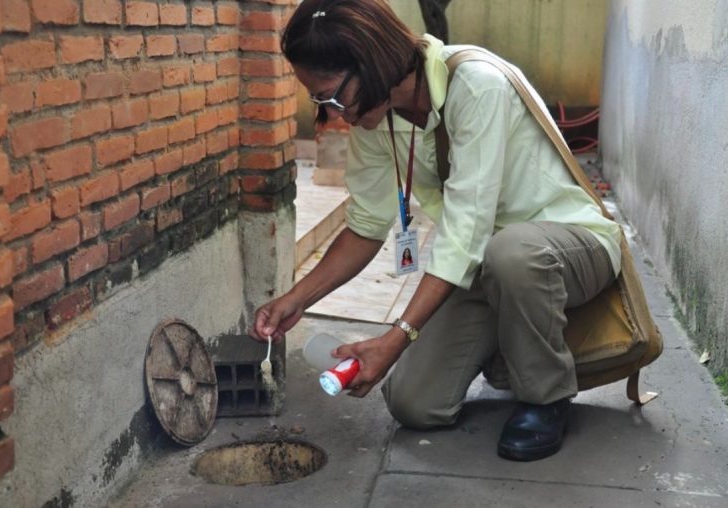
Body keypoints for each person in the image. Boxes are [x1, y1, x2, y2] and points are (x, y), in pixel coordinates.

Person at [251, 0, 622, 462]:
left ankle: (545, 396)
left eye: (331, 97)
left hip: (569, 244)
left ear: (368, 62)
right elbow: (366, 226)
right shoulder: (376, 116)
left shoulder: (478, 85)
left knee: (513, 254)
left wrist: (397, 335)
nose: (333, 114)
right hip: (489, 261)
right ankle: (509, 345)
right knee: (413, 403)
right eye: (319, 103)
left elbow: (465, 232)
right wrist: (296, 299)